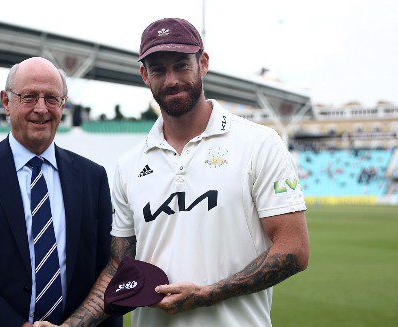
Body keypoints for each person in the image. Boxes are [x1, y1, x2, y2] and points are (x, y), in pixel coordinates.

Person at [37, 18, 310, 327]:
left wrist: (208, 293)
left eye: (181, 65)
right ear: (144, 75)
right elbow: (119, 266)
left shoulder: (258, 144)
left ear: (203, 64)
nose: (171, 80)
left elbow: (294, 250)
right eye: (158, 70)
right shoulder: (129, 165)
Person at [0, 57, 121, 327]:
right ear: (6, 102)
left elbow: (107, 269)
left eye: (52, 98)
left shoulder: (92, 177)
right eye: (29, 97)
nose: (41, 109)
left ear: (63, 105)